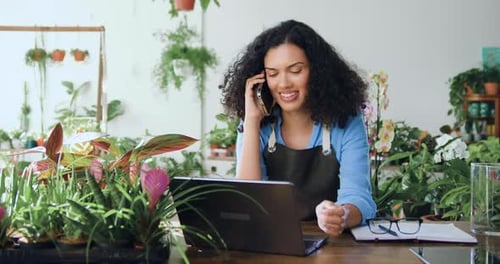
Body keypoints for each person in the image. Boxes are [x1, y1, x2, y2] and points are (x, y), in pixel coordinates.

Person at [220, 19, 376, 237]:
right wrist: (252, 122)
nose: (283, 84)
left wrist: (340, 215)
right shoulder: (256, 125)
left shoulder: (346, 121)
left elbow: (360, 198)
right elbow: (249, 202)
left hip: (334, 246)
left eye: (295, 70)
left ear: (317, 71)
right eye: (273, 74)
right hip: (270, 242)